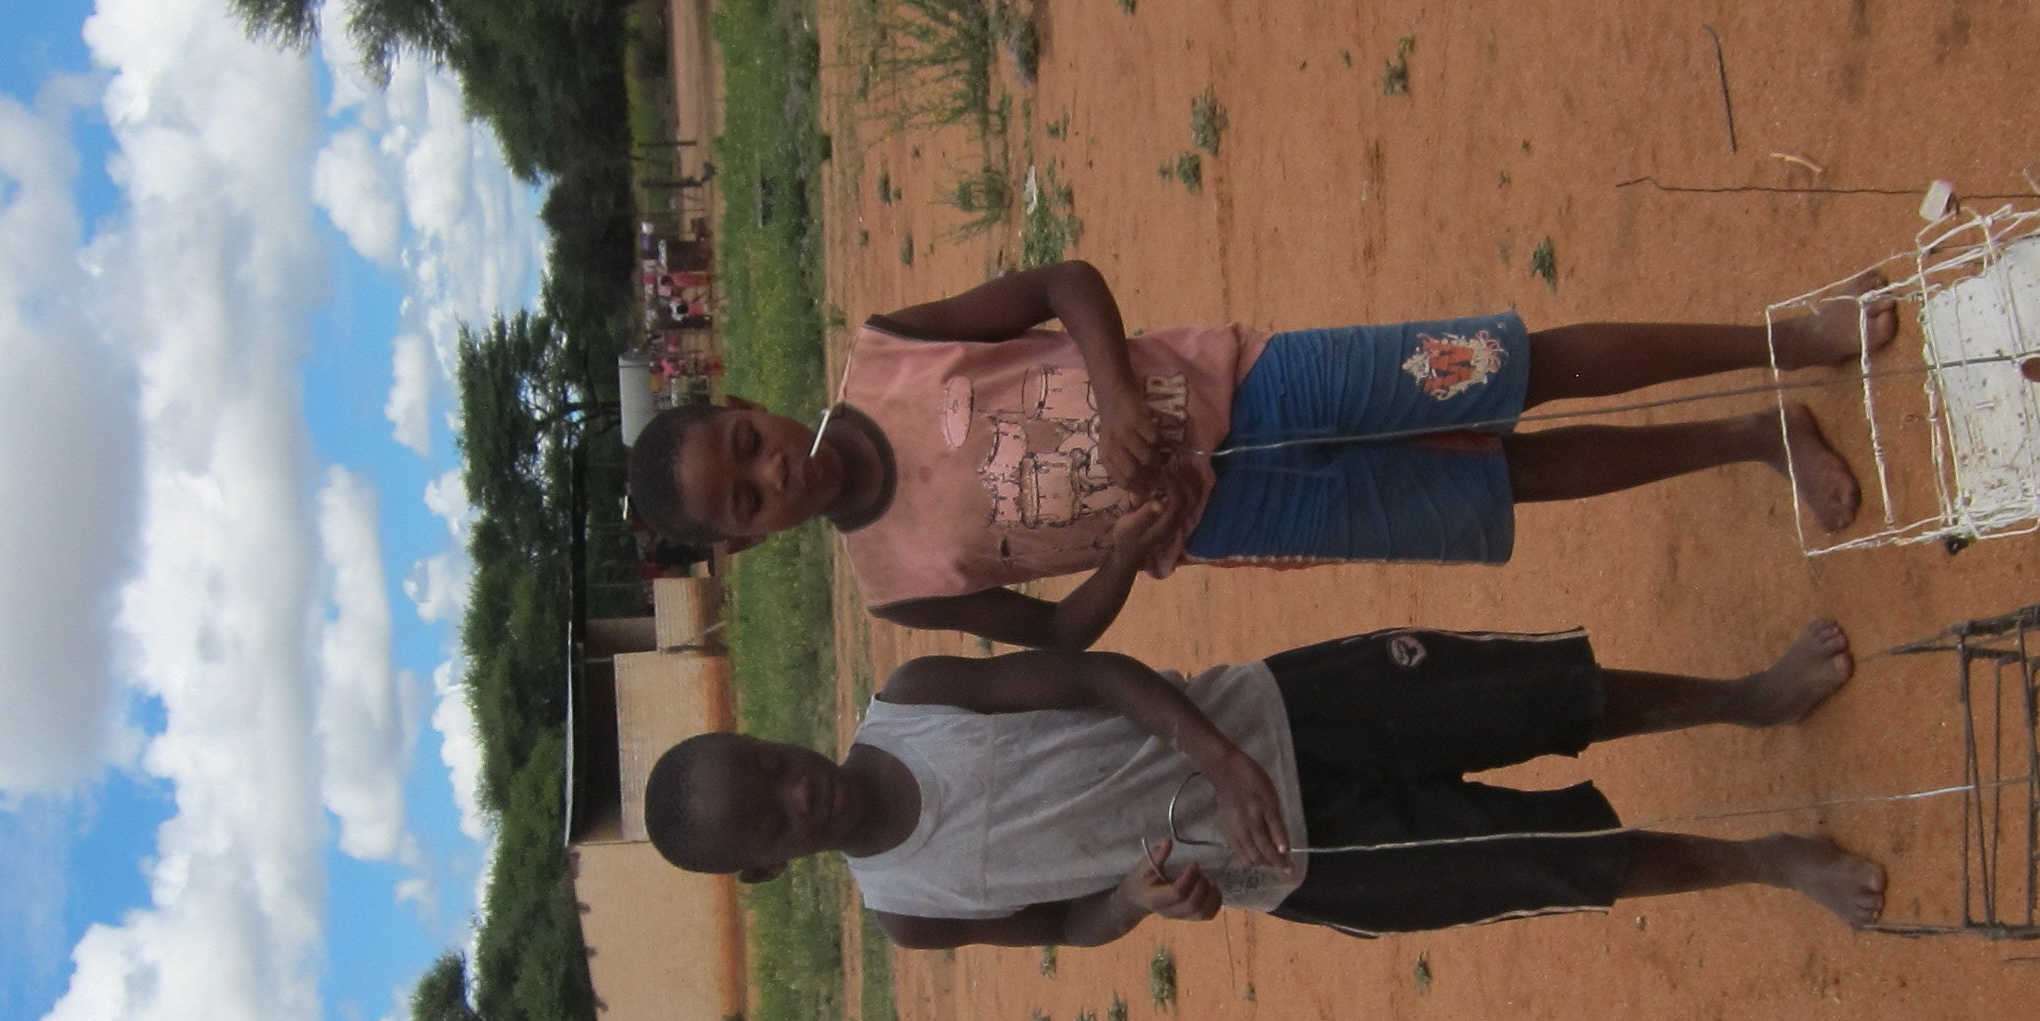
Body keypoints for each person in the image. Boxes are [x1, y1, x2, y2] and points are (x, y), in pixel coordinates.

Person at [620, 259, 1895, 647]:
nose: (773, 472)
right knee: (1501, 482)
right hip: (1230, 519)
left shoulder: (889, 349)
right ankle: (1754, 438)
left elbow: (1066, 282)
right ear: (746, 544)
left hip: (1250, 382)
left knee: (1512, 369)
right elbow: (1060, 635)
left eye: (748, 444)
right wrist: (1124, 555)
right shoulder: (897, 584)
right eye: (746, 501)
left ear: (753, 405)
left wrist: (1117, 388)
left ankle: (1784, 336)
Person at [636, 617, 1886, 946]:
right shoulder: (907, 910)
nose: (805, 795)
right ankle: (1764, 865)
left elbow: (1103, 677)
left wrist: (1223, 758)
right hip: (1295, 864)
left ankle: (1748, 698)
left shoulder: (914, 704)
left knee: (1553, 702)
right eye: (777, 820)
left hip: (1288, 710)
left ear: (770, 738)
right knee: (1557, 866)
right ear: (765, 865)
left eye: (778, 770)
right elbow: (1070, 926)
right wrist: (1139, 900)